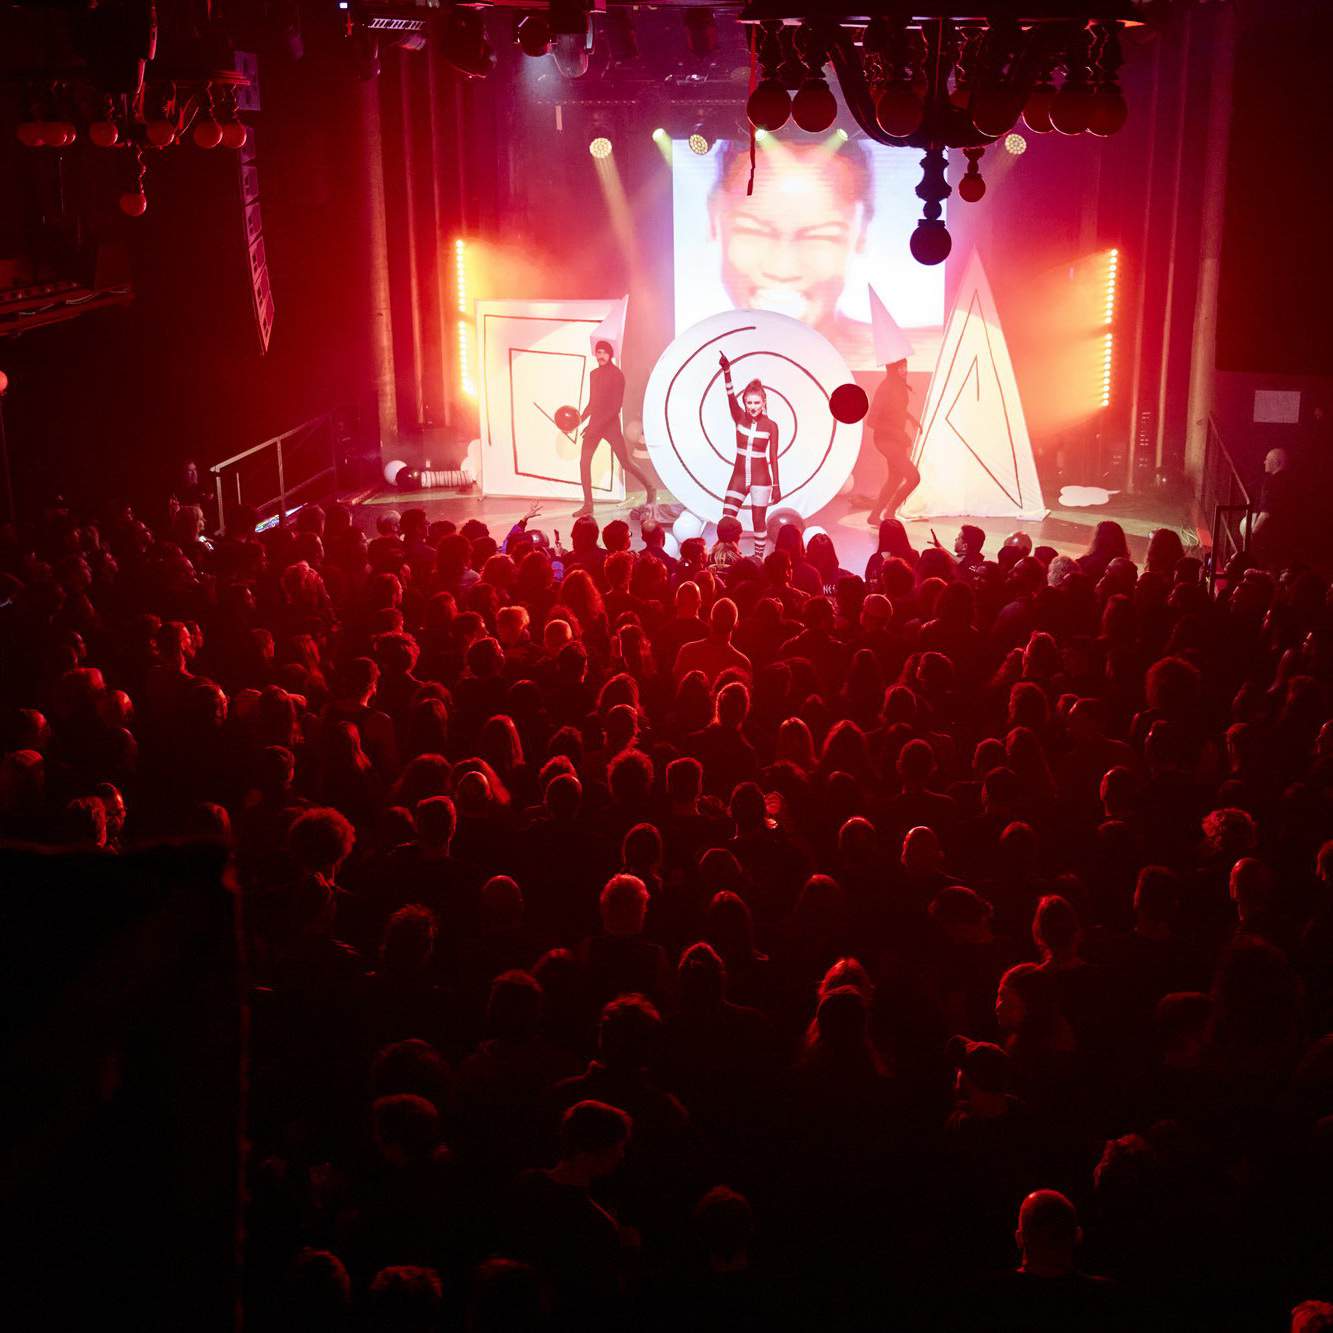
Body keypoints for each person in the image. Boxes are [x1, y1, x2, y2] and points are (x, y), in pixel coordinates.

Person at [577, 340, 656, 518]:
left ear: (610, 354)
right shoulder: (593, 374)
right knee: (584, 462)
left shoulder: (617, 375)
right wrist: (579, 420)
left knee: (625, 462)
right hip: (595, 424)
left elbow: (614, 408)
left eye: (604, 352)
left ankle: (650, 488)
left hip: (610, 425)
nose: (601, 356)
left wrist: (593, 426)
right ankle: (588, 505)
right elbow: (592, 403)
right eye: (599, 352)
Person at [716, 349, 780, 559]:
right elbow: (730, 396)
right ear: (744, 403)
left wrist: (777, 486)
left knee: (758, 522)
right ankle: (728, 558)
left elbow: (773, 458)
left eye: (756, 403)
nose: (752, 407)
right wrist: (727, 372)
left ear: (764, 402)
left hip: (762, 479)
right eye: (749, 403)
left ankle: (758, 559)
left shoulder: (771, 426)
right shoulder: (739, 417)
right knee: (726, 520)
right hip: (739, 477)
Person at [865, 357, 921, 526]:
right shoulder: (886, 387)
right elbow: (872, 421)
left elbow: (896, 409)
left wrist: (911, 419)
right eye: (900, 368)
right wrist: (897, 433)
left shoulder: (898, 385)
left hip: (896, 439)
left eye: (905, 366)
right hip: (886, 440)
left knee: (895, 478)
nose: (904, 370)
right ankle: (889, 512)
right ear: (892, 369)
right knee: (913, 477)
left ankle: (875, 516)